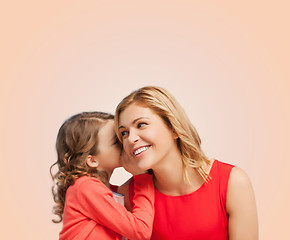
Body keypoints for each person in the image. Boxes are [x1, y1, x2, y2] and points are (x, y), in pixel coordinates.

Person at [115, 86, 258, 240]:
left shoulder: (233, 183)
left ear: (173, 128)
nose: (130, 139)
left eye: (141, 125)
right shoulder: (128, 195)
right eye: (124, 133)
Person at [50, 112, 155, 240]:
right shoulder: (85, 187)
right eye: (116, 141)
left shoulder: (109, 191)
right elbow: (140, 231)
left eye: (122, 135)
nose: (125, 143)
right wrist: (142, 177)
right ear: (92, 160)